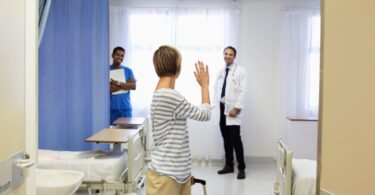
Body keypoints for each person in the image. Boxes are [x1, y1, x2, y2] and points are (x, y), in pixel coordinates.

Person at [147, 45, 211, 195]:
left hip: (177, 173)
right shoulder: (170, 96)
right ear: (177, 67)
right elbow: (205, 114)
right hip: (166, 175)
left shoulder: (163, 93)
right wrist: (205, 86)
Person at [214, 46, 247, 179]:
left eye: (231, 54)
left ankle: (241, 168)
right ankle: (229, 165)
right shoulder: (221, 72)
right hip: (222, 108)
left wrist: (237, 108)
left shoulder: (240, 71)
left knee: (236, 140)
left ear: (234, 56)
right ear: (223, 55)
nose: (228, 56)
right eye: (226, 54)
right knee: (226, 139)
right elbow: (216, 89)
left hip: (233, 108)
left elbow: (243, 91)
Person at [109, 46, 136, 124]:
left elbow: (133, 86)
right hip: (112, 111)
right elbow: (109, 88)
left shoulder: (128, 71)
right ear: (112, 55)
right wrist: (126, 84)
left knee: (127, 135)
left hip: (126, 110)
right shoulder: (107, 70)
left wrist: (116, 83)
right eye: (117, 55)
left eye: (122, 56)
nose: (120, 57)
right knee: (112, 135)